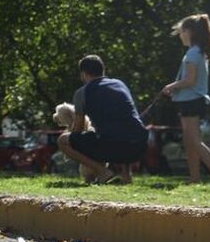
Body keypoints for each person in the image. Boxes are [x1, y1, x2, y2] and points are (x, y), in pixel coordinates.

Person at [57, 55, 148, 184]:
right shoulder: (120, 84)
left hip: (113, 146)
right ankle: (126, 176)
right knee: (125, 129)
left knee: (63, 141)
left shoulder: (81, 93)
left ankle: (102, 171)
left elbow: (78, 129)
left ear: (83, 74)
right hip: (139, 145)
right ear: (103, 71)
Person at [161, 14, 210, 183]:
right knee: (189, 142)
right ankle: (194, 178)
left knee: (195, 142)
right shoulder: (198, 52)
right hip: (191, 101)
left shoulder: (192, 53)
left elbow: (190, 80)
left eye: (182, 31)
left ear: (190, 32)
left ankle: (197, 177)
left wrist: (171, 86)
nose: (180, 35)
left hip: (191, 101)